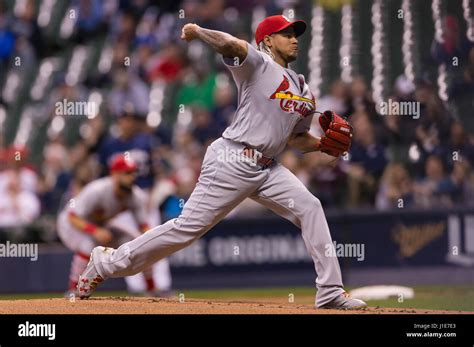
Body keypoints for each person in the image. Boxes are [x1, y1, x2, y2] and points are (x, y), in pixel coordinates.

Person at [78, 15, 366, 309]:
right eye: (286, 34)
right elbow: (231, 44)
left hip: (267, 167)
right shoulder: (258, 65)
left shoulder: (303, 89)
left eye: (295, 34)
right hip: (232, 158)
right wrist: (199, 31)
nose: (294, 39)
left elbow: (295, 137)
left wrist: (322, 146)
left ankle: (330, 292)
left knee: (310, 207)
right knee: (185, 230)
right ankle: (105, 262)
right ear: (267, 41)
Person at [57, 155, 158, 296]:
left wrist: (155, 239)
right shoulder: (97, 190)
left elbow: (143, 225)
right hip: (70, 225)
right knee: (88, 245)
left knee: (140, 243)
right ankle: (73, 290)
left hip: (101, 225)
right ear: (115, 174)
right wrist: (94, 230)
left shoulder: (135, 196)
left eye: (134, 172)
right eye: (127, 173)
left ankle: (152, 290)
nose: (132, 177)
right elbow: (72, 217)